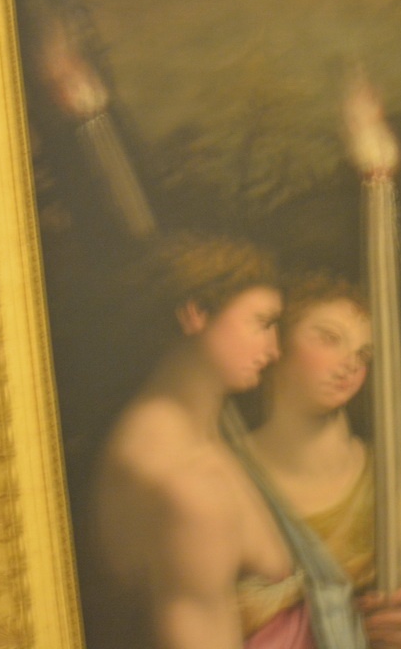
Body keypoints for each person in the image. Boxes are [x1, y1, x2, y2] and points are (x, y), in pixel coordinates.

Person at [91, 234, 291, 649]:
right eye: (262, 324)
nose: (274, 350)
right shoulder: (185, 484)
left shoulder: (200, 432)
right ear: (196, 313)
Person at [239, 271, 401, 649]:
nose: (350, 364)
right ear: (278, 340)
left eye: (363, 354)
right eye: (329, 338)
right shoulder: (223, 474)